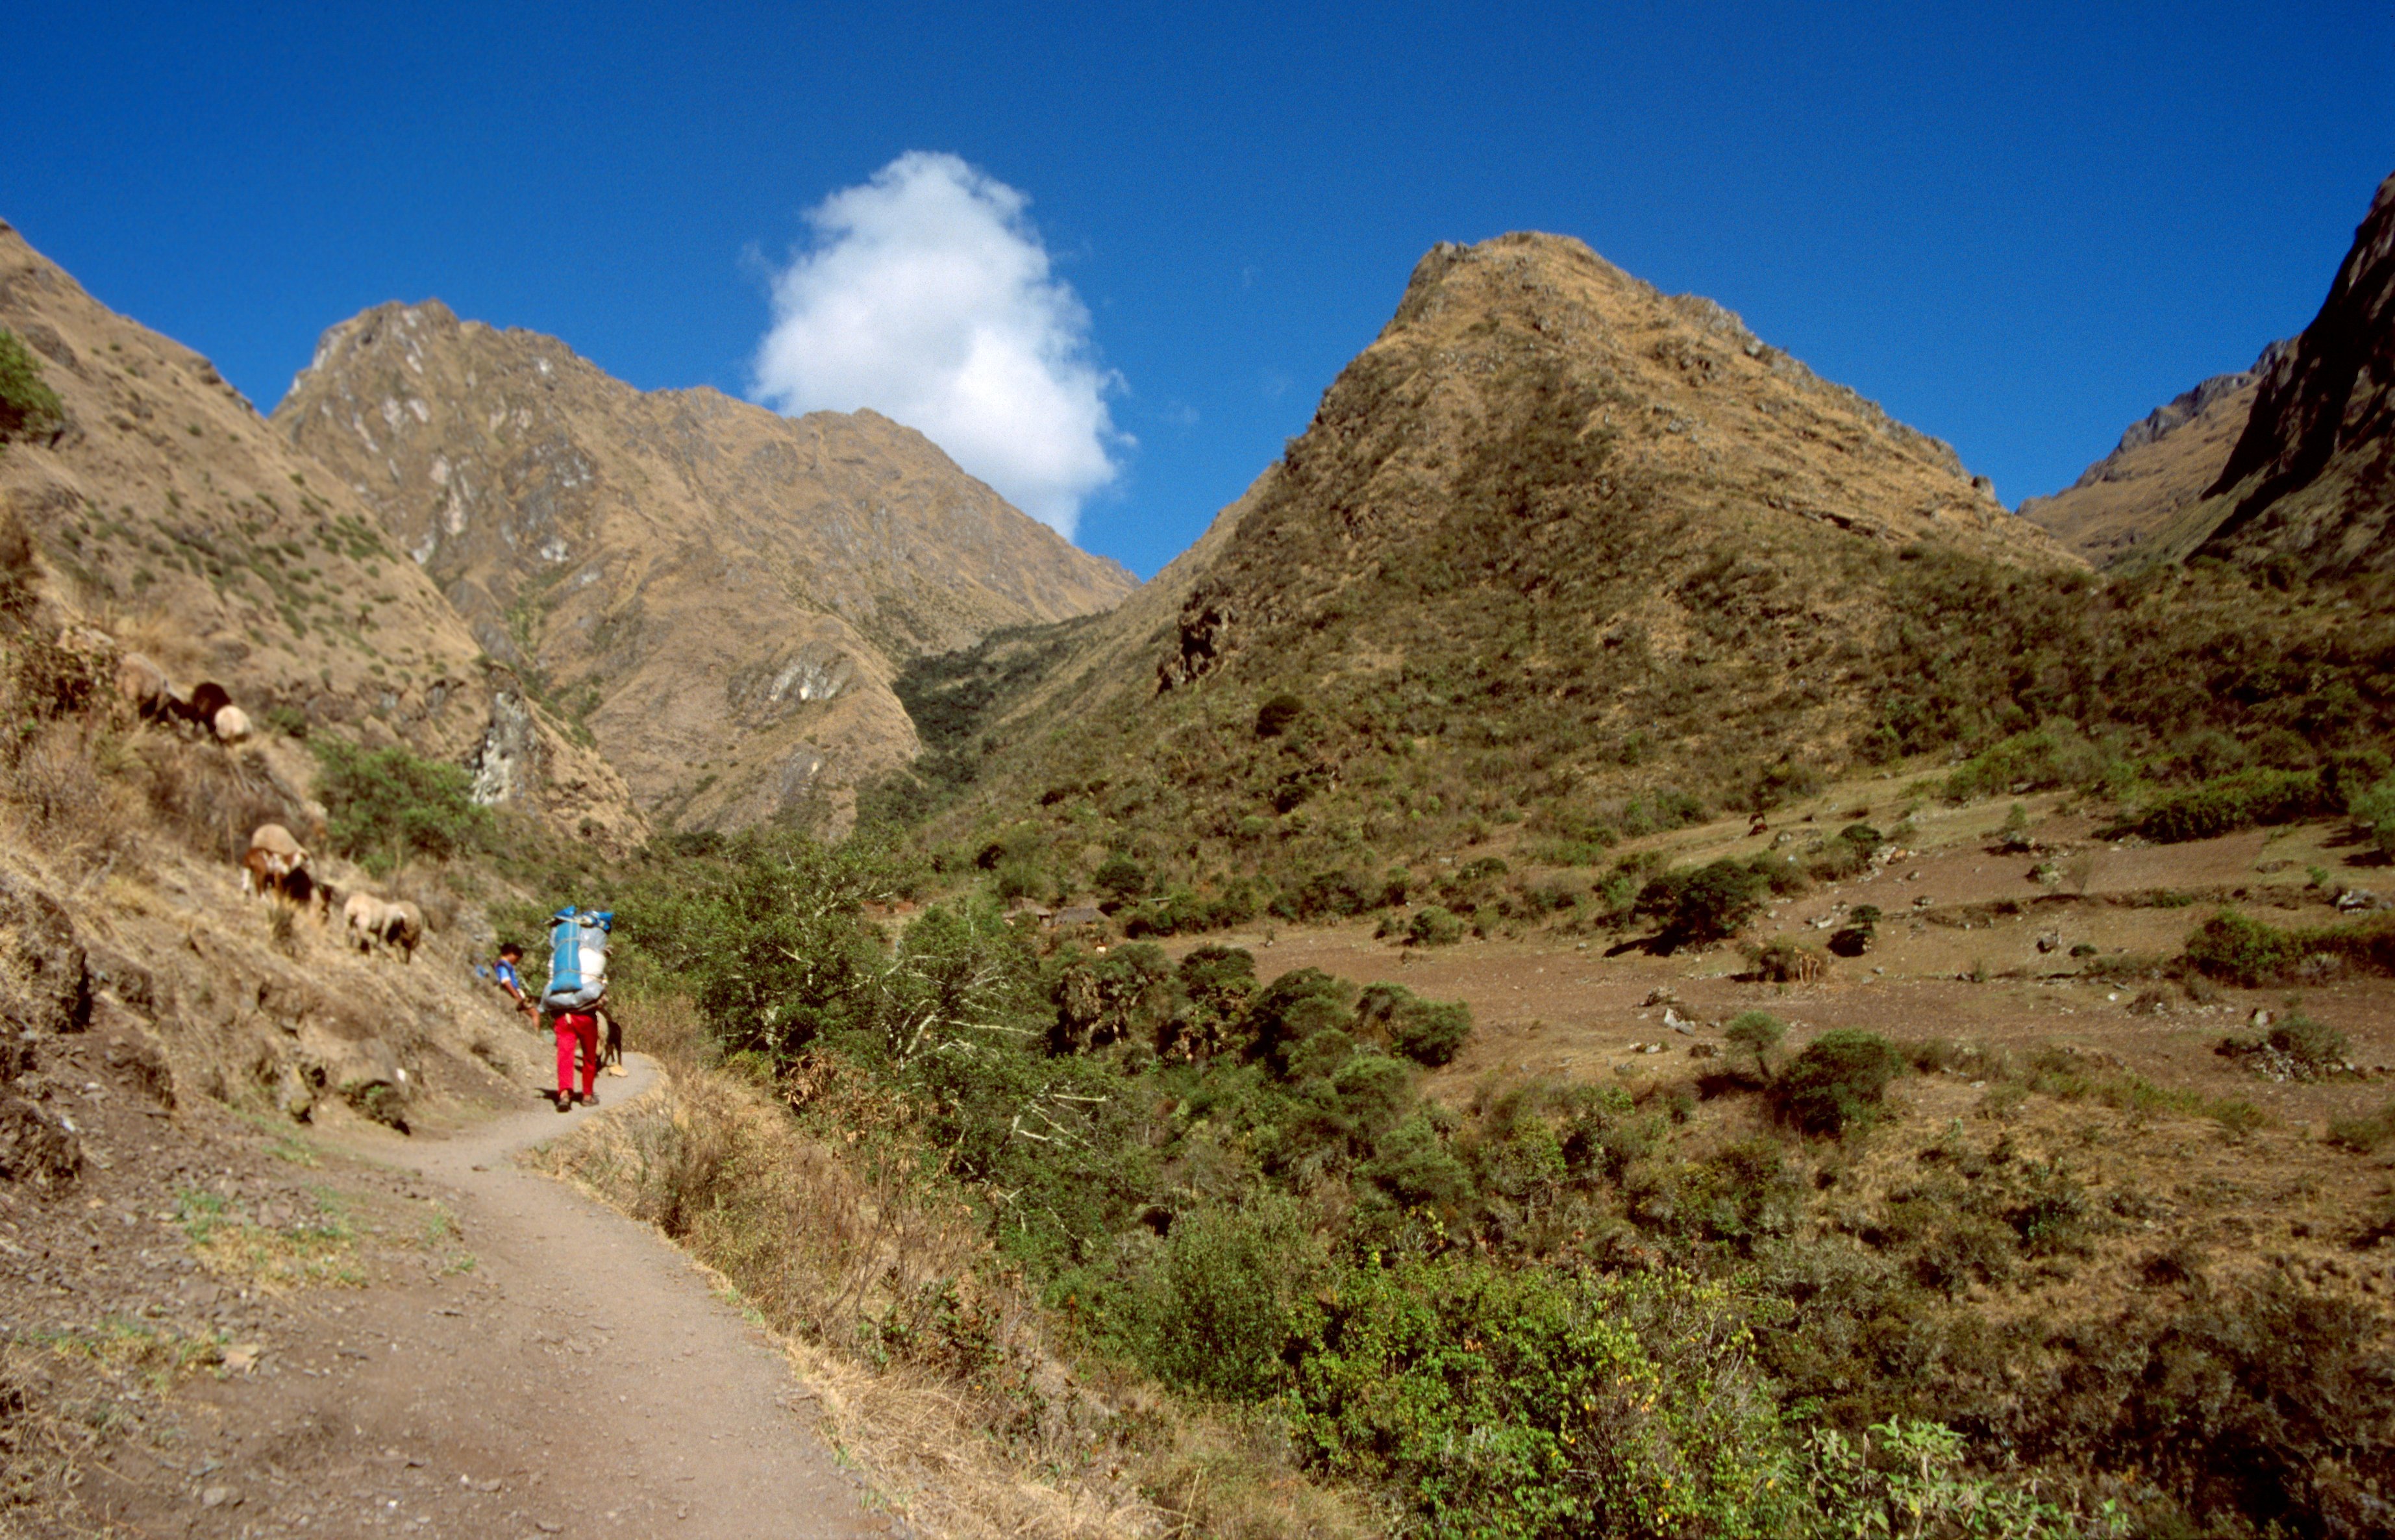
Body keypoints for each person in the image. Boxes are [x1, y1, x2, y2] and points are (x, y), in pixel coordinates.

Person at [491, 943, 536, 1020]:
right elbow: (506, 981)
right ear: (512, 955)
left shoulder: (502, 964)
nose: (517, 961)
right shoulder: (503, 965)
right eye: (517, 958)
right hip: (511, 993)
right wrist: (517, 997)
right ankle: (534, 1032)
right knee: (535, 1014)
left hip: (514, 993)